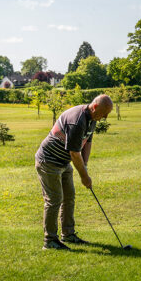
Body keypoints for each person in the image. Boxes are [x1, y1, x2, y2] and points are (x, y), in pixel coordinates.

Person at [35, 94, 113, 250]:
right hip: (48, 161)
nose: (105, 117)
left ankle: (68, 235)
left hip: (63, 162)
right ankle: (49, 241)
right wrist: (84, 177)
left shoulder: (92, 118)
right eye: (104, 113)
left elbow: (87, 142)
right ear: (95, 107)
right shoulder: (77, 121)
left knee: (69, 197)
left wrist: (85, 166)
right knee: (54, 199)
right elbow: (74, 153)